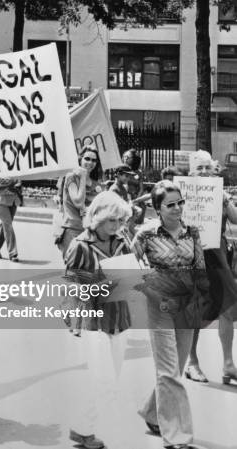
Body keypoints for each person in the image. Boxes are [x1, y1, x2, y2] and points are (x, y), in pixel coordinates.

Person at [132, 180, 206, 449]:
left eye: (180, 203)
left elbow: (200, 269)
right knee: (168, 372)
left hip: (186, 305)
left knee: (173, 369)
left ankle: (152, 413)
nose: (177, 209)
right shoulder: (146, 235)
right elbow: (130, 268)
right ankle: (177, 436)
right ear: (158, 209)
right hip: (159, 304)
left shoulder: (193, 232)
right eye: (170, 205)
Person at [64, 191, 133, 449]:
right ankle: (94, 430)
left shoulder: (122, 242)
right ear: (97, 218)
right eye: (111, 220)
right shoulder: (79, 245)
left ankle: (82, 428)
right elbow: (71, 286)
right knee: (103, 379)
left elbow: (131, 275)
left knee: (110, 376)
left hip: (119, 315)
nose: (115, 226)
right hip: (92, 318)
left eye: (119, 221)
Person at [183, 150, 237, 385]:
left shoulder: (219, 194)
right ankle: (191, 362)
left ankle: (228, 364)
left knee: (229, 306)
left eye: (207, 167)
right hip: (192, 256)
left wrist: (225, 200)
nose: (204, 171)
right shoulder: (182, 193)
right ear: (191, 172)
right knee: (195, 308)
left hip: (218, 255)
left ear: (214, 170)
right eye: (199, 168)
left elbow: (235, 219)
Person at [57, 146, 103, 259]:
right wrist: (82, 177)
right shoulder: (71, 177)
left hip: (91, 231)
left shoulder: (96, 184)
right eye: (87, 158)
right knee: (74, 268)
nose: (90, 162)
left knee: (89, 269)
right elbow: (78, 202)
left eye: (94, 160)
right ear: (80, 159)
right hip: (73, 229)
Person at [0, 177, 22, 261]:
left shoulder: (15, 170)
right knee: (8, 225)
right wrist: (12, 183)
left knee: (5, 226)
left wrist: (7, 184)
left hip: (13, 202)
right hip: (1, 202)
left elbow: (18, 185)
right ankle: (13, 253)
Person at [122, 148, 145, 223]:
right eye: (125, 156)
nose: (126, 158)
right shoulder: (121, 171)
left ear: (134, 159)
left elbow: (141, 189)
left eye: (128, 157)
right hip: (124, 198)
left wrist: (137, 200)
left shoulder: (139, 173)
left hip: (136, 198)